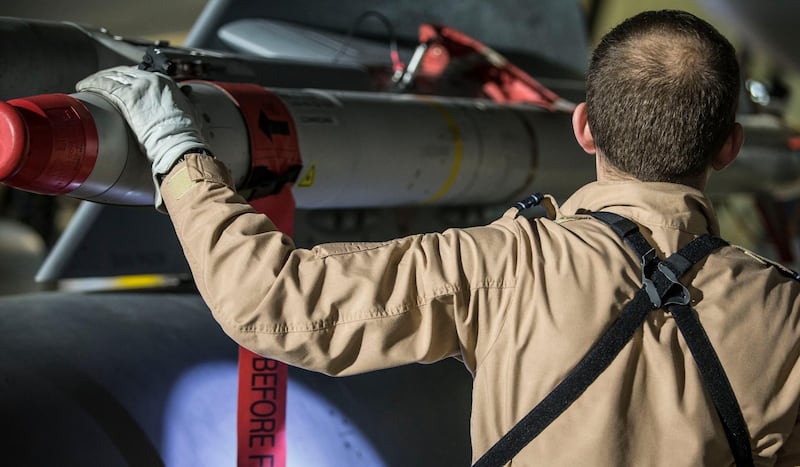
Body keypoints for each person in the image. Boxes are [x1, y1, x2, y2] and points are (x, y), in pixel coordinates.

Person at [75, 9, 800, 466]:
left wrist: (174, 144)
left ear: (582, 126)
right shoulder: (785, 317)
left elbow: (273, 302)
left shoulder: (502, 264)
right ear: (729, 146)